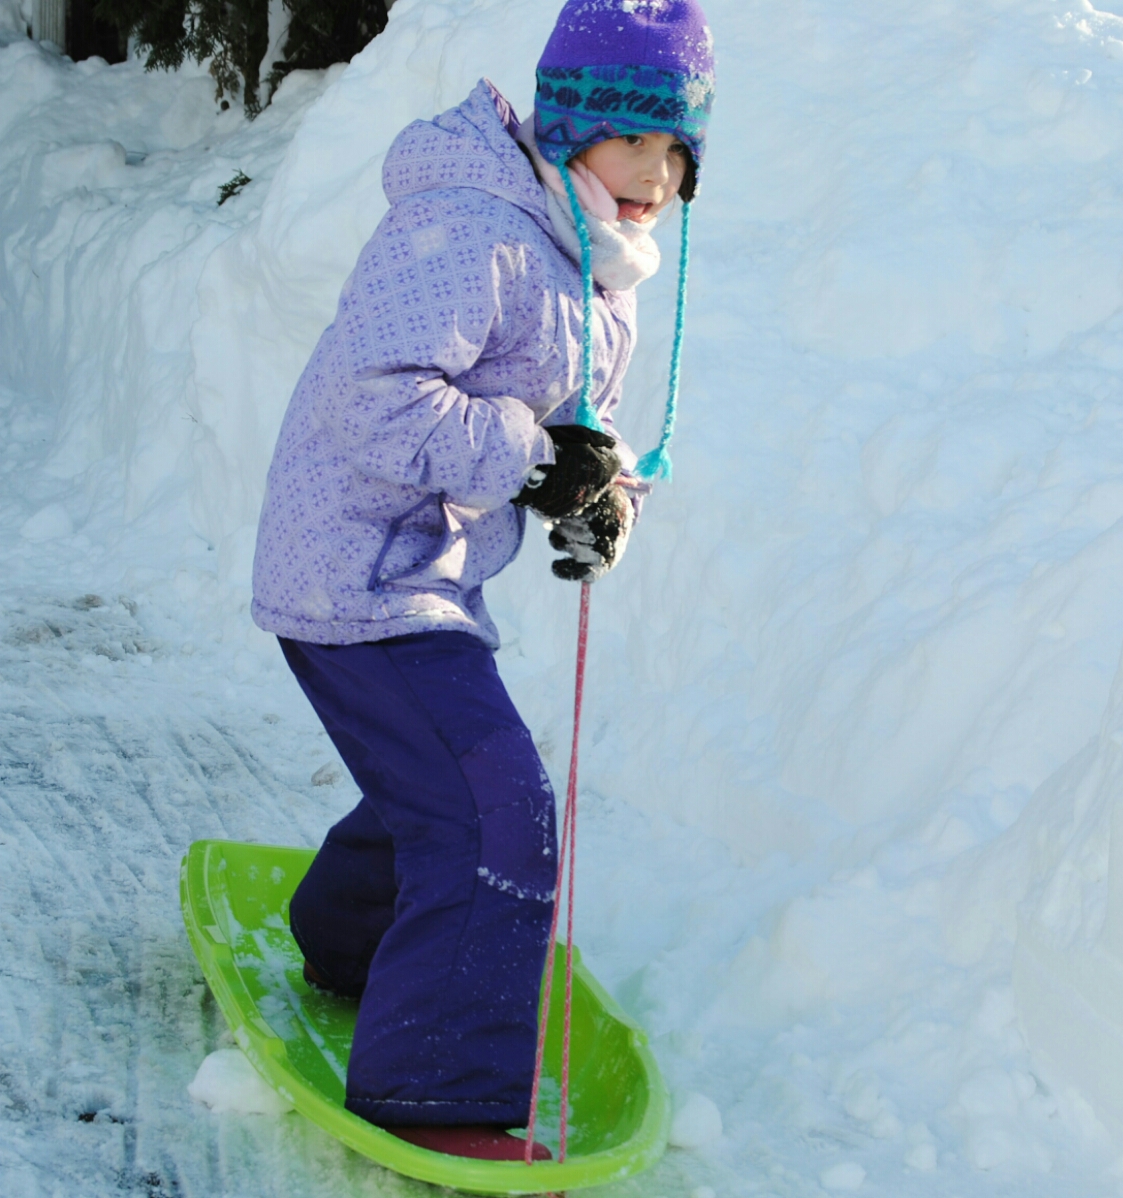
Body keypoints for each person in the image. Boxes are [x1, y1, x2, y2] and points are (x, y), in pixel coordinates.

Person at [248, 0, 714, 1164]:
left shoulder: (591, 254)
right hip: (353, 567)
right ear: (570, 129)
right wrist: (530, 460)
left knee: (449, 781)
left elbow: (580, 425)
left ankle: (350, 936)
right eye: (631, 140)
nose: (654, 175)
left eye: (676, 148)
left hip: (424, 572)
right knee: (496, 807)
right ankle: (437, 1086)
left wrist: (600, 497)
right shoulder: (473, 229)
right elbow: (370, 398)